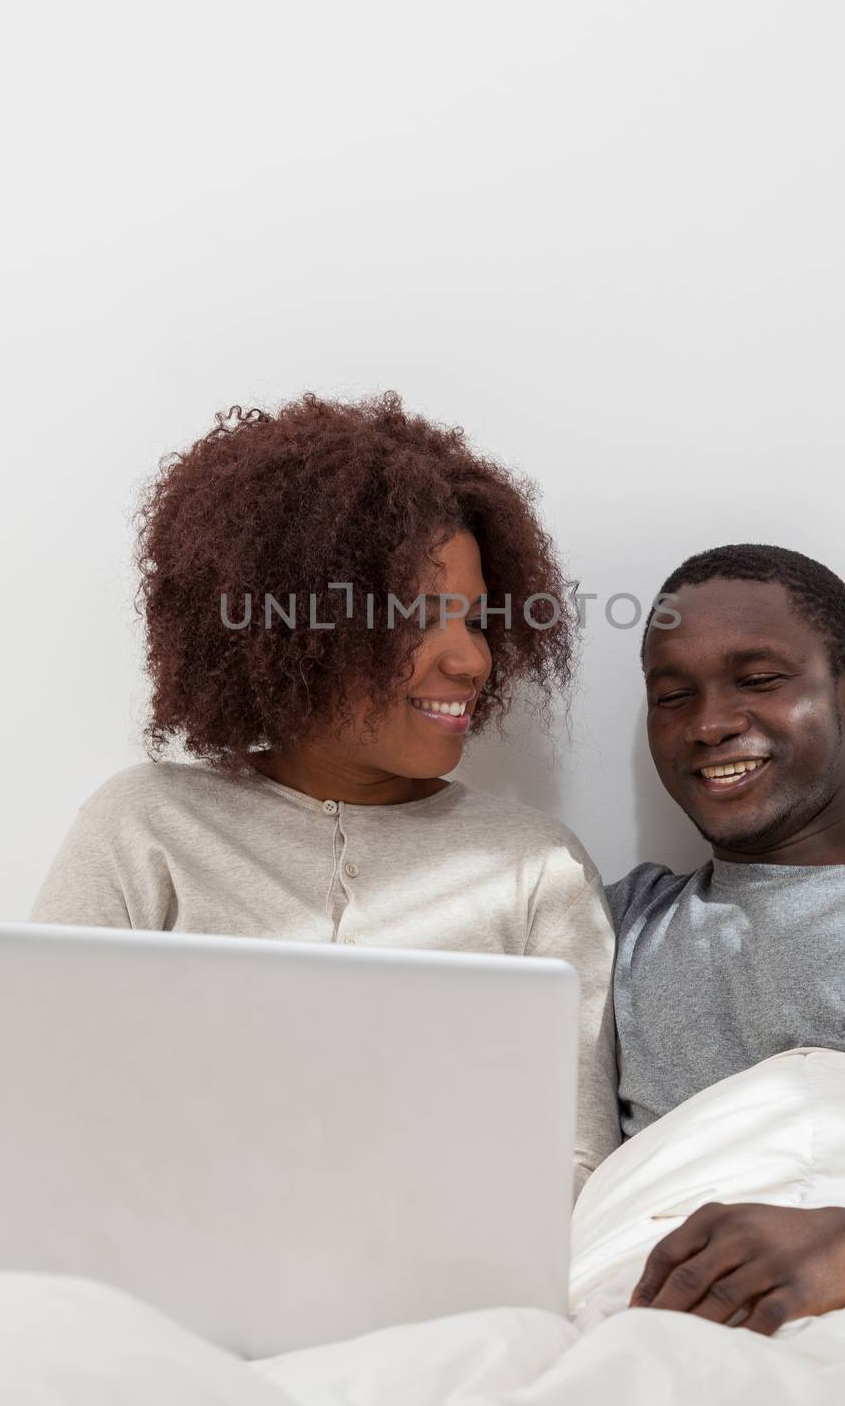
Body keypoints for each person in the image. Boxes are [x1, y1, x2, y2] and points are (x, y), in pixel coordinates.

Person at [31, 392, 620, 1196]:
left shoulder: (536, 868)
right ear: (294, 635)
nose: (471, 662)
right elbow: (40, 1110)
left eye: (476, 621)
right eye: (419, 618)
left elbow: (574, 1165)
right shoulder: (145, 826)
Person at [608, 543, 845, 1332]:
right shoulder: (613, 927)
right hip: (643, 1327)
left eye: (758, 681)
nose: (708, 724)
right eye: (672, 695)